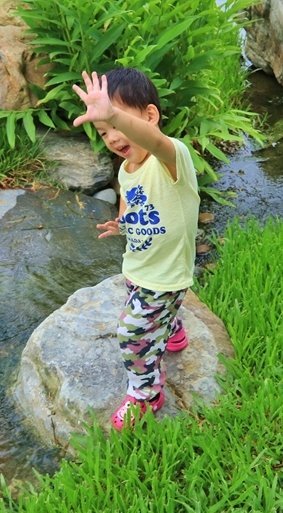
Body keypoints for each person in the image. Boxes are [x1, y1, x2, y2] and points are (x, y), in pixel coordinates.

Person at [72, 67, 200, 431]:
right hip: (140, 265)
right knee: (144, 306)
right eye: (103, 131)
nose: (112, 137)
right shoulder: (129, 168)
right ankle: (172, 329)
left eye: (120, 125)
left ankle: (146, 393)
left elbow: (156, 141)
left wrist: (112, 115)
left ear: (149, 116)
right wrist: (122, 222)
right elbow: (130, 198)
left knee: (132, 333)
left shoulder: (172, 158)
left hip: (166, 276)